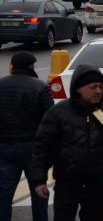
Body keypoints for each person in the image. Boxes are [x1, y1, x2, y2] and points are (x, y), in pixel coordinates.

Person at [31, 64, 103, 221]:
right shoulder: (58, 114)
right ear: (78, 88)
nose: (98, 91)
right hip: (66, 184)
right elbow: (42, 148)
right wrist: (39, 180)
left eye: (100, 87)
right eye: (92, 87)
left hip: (96, 185)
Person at [0, 52, 53, 221]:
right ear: (32, 67)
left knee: (3, 193)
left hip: (4, 147)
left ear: (12, 66)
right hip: (33, 149)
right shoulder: (41, 87)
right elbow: (49, 122)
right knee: (39, 191)